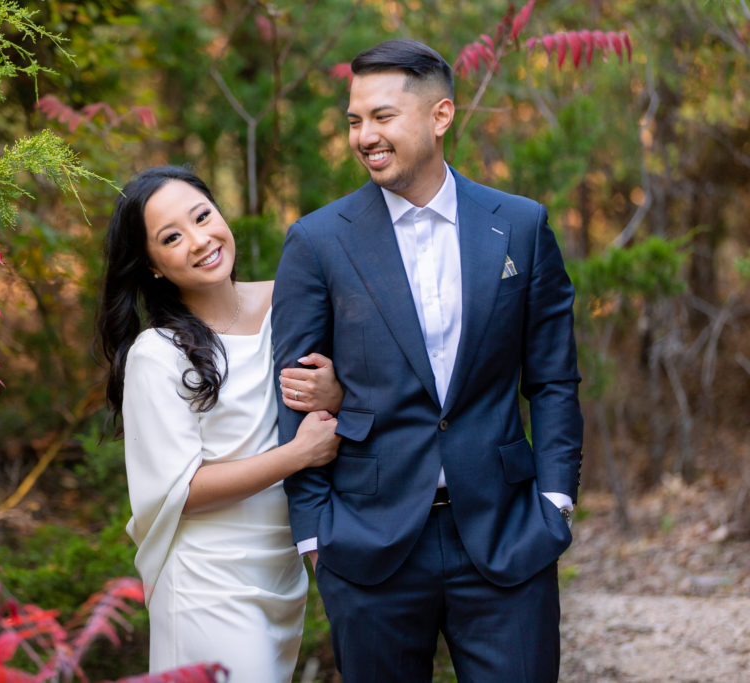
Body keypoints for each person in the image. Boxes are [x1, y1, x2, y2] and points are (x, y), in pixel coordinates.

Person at [272, 39, 583, 681]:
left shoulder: (520, 226)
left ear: (440, 117)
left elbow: (552, 378)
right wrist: (314, 533)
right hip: (368, 544)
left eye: (382, 117)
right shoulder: (317, 242)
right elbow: (294, 394)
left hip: (506, 533)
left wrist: (555, 501)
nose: (364, 136)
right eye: (355, 120)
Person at [97, 165, 343, 682]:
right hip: (206, 579)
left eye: (202, 216)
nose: (199, 239)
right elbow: (178, 490)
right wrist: (298, 454)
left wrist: (336, 392)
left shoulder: (289, 301)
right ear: (153, 265)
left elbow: (364, 390)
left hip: (279, 565)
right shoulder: (157, 354)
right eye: (171, 237)